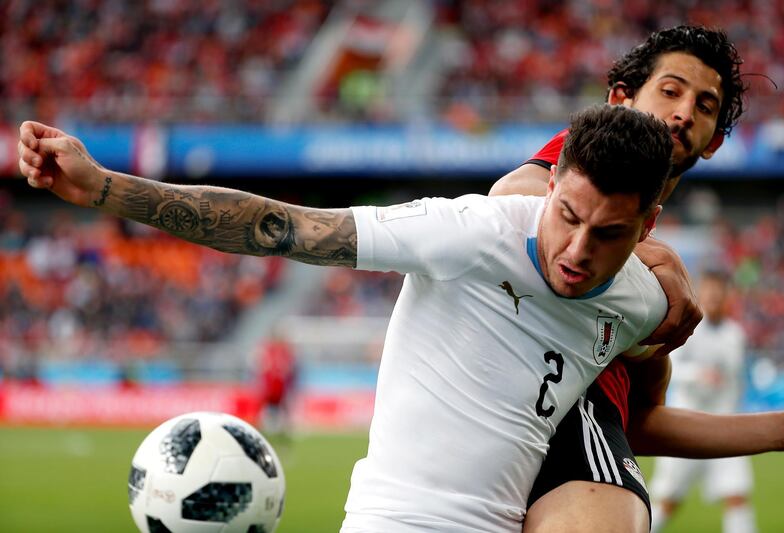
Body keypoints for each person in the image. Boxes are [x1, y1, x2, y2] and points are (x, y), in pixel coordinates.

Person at [19, 104, 675, 532]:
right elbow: (278, 227)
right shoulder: (469, 232)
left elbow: (647, 386)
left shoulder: (641, 299)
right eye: (568, 215)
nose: (579, 250)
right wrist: (103, 186)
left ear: (646, 226)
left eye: (610, 233)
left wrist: (777, 429)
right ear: (552, 183)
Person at [488, 25, 753, 533]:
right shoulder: (593, 158)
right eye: (670, 91)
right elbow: (510, 194)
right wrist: (651, 253)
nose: (683, 113)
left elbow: (639, 420)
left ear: (715, 141)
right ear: (621, 99)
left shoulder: (631, 277)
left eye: (704, 106)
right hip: (545, 425)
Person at [649, 271, 756, 533]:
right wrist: (699, 374)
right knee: (668, 501)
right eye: (709, 290)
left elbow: (738, 381)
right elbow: (670, 368)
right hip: (687, 424)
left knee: (737, 494)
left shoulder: (736, 335)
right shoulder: (686, 327)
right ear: (701, 292)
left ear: (728, 295)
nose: (714, 296)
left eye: (719, 291)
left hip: (725, 426)